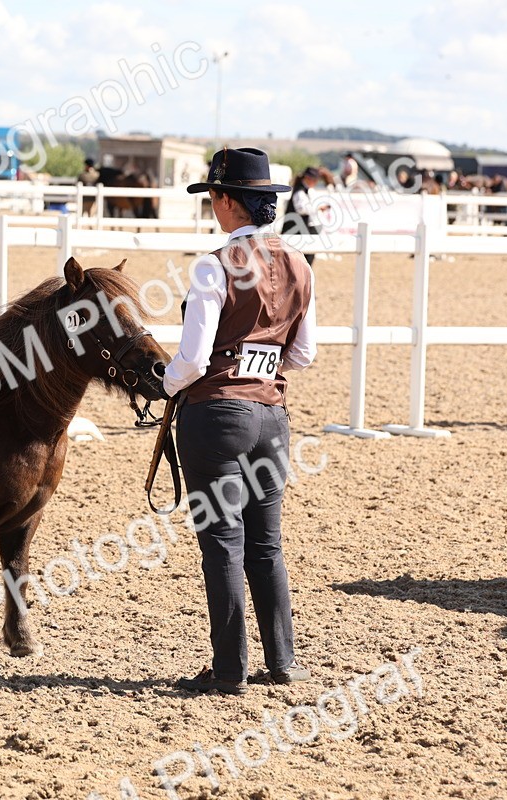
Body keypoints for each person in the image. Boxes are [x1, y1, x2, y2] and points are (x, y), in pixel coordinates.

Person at [164, 146, 317, 696]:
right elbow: (303, 354)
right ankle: (284, 661)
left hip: (217, 417)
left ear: (228, 200)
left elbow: (194, 358)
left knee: (223, 542)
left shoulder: (214, 264)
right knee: (266, 544)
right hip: (274, 416)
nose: (211, 205)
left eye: (213, 196)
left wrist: (168, 384)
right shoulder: (298, 263)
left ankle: (229, 670)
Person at [284, 167, 324, 266]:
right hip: (297, 228)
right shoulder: (300, 191)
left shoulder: (305, 190)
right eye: (314, 179)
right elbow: (301, 209)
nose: (315, 182)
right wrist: (318, 208)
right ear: (307, 178)